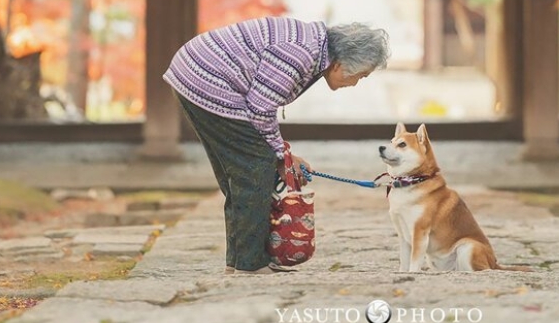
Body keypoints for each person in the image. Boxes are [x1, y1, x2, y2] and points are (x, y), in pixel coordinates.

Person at [164, 16, 390, 274]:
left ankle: (240, 261)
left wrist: (282, 153)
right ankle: (249, 264)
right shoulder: (300, 53)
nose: (356, 83)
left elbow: (262, 109)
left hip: (194, 73)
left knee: (243, 173)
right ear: (340, 64)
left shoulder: (315, 48)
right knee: (256, 168)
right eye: (361, 75)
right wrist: (282, 156)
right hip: (209, 79)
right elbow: (261, 109)